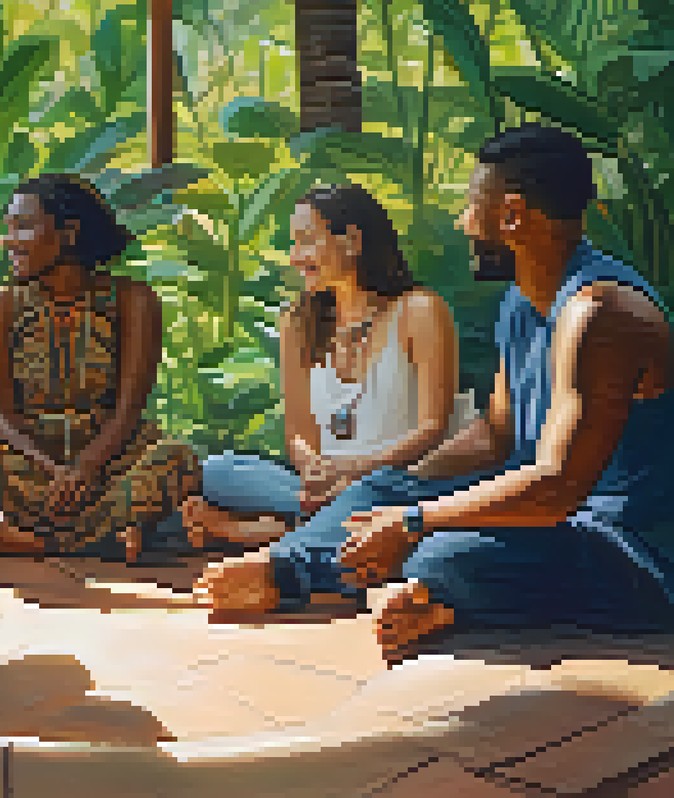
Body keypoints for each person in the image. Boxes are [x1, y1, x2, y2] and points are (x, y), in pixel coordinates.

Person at [196, 124, 674, 662]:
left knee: (445, 551)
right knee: (388, 490)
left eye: (472, 207)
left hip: (633, 556)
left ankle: (385, 587)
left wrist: (416, 519)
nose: (463, 222)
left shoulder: (600, 315)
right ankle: (301, 568)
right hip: (549, 521)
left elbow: (555, 488)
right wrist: (402, 488)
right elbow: (497, 434)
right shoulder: (522, 303)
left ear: (512, 215)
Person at [179, 185, 477, 550]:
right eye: (293, 244)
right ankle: (315, 525)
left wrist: (350, 472)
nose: (294, 257)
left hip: (403, 484)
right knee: (218, 470)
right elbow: (299, 436)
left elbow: (434, 428)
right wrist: (314, 475)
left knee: (376, 499)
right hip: (327, 485)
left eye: (306, 241)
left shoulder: (420, 310)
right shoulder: (298, 322)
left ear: (352, 240)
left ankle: (274, 532)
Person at [0, 174, 201, 560]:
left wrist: (84, 469)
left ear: (68, 233)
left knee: (178, 461)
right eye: (8, 227)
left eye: (23, 226)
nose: (7, 239)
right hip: (34, 460)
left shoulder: (134, 300)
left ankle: (44, 541)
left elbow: (129, 409)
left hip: (113, 458)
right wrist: (54, 471)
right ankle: (103, 534)